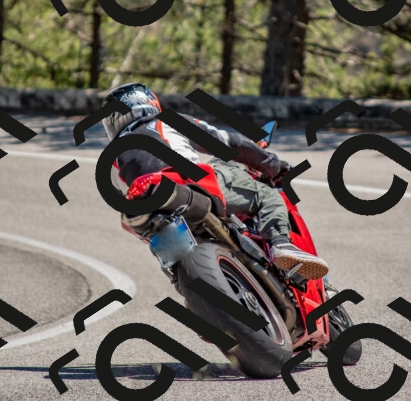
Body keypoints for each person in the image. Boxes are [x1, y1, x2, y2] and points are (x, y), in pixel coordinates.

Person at [100, 82, 329, 280]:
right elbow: (228, 142)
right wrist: (272, 165)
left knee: (173, 269)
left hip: (147, 211)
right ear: (148, 102)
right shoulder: (166, 122)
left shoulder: (114, 157)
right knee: (266, 195)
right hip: (188, 185)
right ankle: (280, 244)